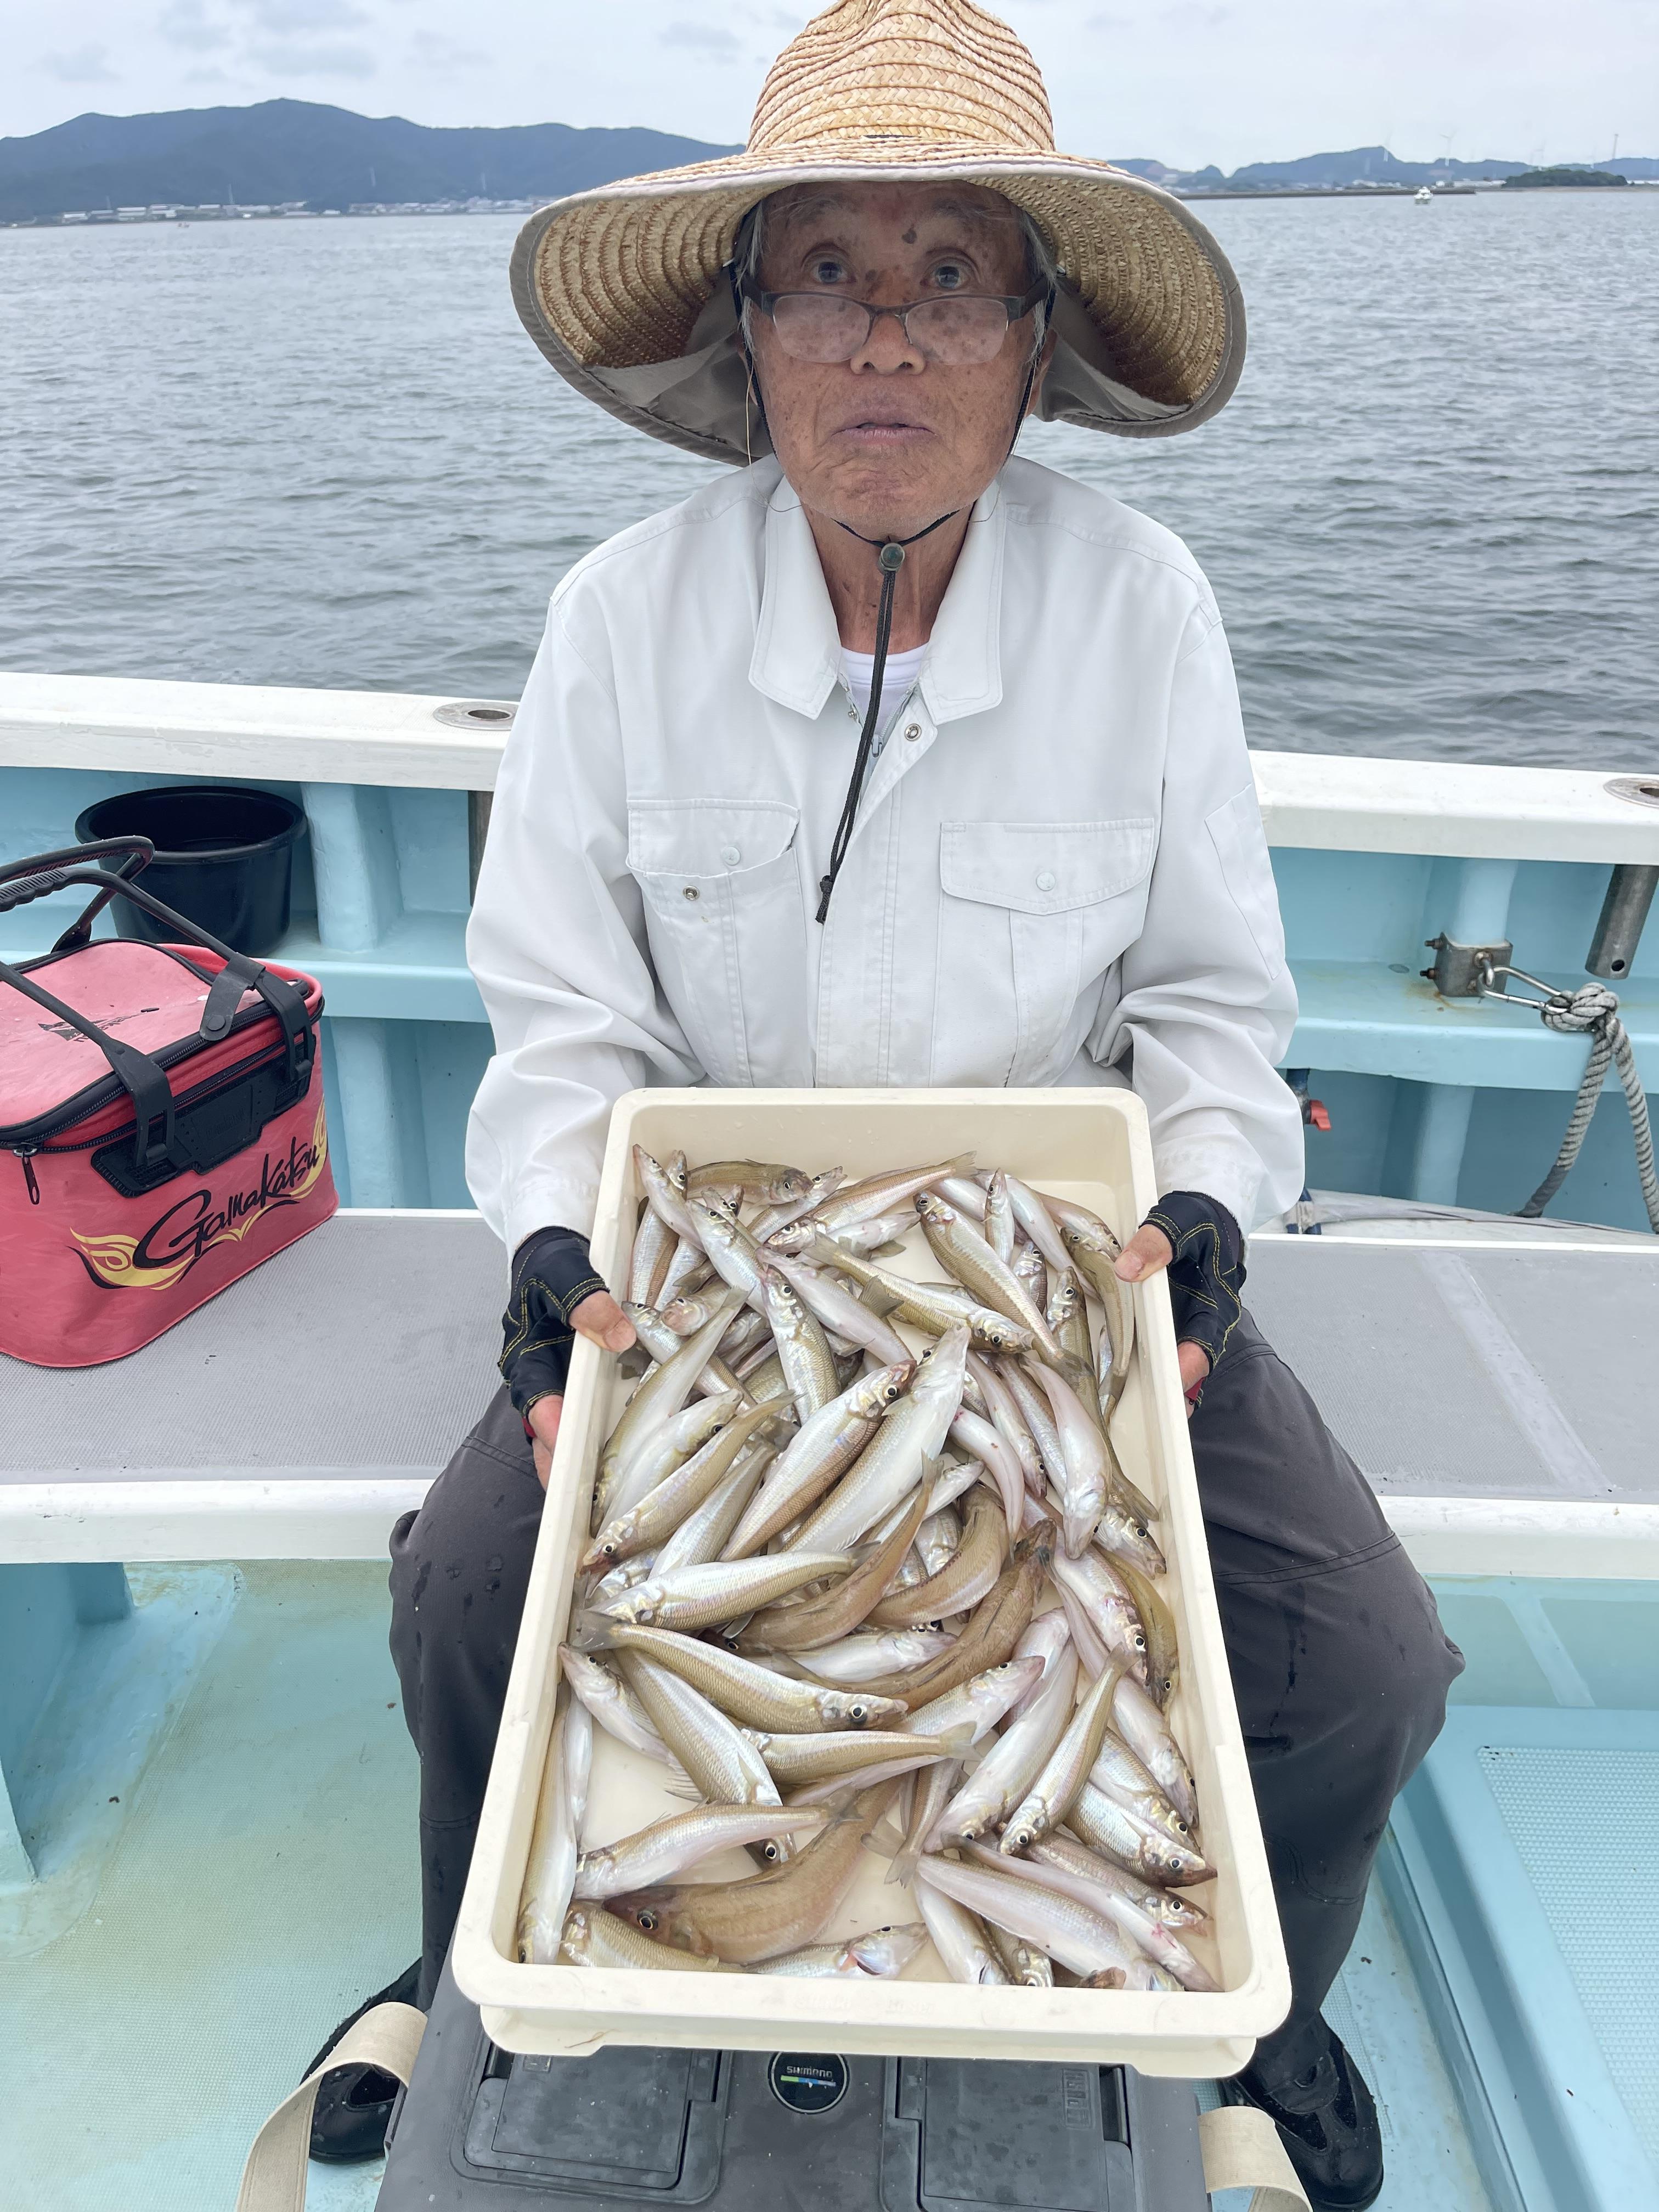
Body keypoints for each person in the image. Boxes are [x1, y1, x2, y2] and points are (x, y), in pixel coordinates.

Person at [307, 3, 1461, 2202]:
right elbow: (562, 1019)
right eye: (827, 272)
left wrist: (1205, 1211)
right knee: (467, 1595)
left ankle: (1264, 2007)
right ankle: (459, 1945)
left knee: (1367, 1663)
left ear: (1037, 338)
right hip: (706, 1283)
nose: (886, 341)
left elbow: (1214, 1005)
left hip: (1066, 1276)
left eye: (951, 277)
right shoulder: (621, 615)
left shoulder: (1146, 606)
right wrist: (559, 1245)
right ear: (746, 332)